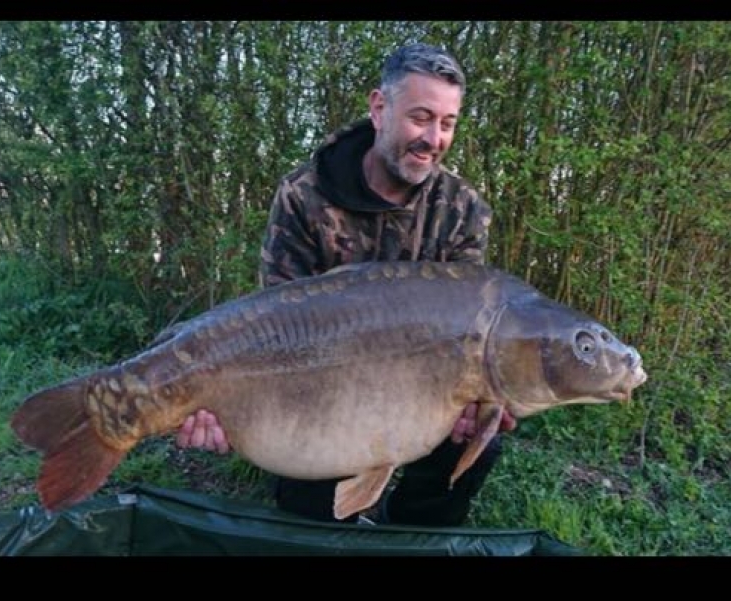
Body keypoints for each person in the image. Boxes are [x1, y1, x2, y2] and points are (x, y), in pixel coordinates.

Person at [176, 42, 515, 527]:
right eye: (421, 118)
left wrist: (480, 398)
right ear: (379, 107)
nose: (434, 138)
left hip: (420, 394)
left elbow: (466, 329)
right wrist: (221, 403)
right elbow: (273, 332)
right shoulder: (304, 195)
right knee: (308, 502)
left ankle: (410, 534)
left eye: (448, 123)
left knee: (478, 441)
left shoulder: (462, 209)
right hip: (314, 385)